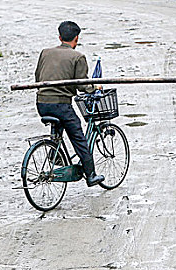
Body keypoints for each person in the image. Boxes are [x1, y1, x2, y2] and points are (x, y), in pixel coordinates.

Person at [35, 21, 104, 187]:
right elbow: (82, 85)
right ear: (76, 38)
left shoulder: (45, 53)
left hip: (42, 103)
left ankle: (54, 153)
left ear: (59, 37)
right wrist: (95, 86)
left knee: (59, 126)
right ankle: (91, 174)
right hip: (61, 105)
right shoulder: (78, 57)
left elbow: (38, 77)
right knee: (78, 136)